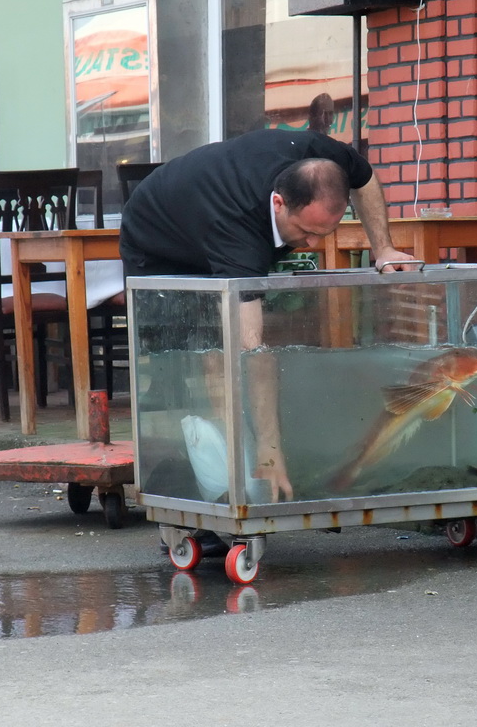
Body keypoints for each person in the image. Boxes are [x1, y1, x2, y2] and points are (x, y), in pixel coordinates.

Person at [120, 128, 415, 554]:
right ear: (278, 202)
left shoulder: (326, 159)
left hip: (215, 208)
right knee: (207, 357)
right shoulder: (237, 228)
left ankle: (254, 484)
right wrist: (269, 448)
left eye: (325, 233)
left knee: (229, 350)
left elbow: (365, 179)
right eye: (305, 232)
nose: (312, 245)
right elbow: (252, 349)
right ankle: (210, 496)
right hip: (160, 238)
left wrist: (383, 248)